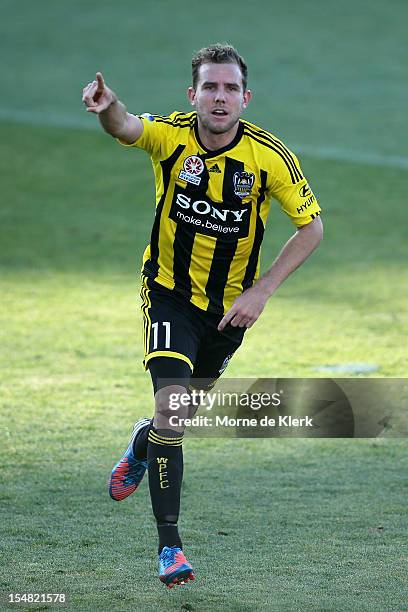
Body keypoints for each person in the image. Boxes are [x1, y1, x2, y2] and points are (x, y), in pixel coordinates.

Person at [82, 43, 323, 588]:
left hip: (228, 311)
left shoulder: (269, 157)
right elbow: (127, 129)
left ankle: (144, 444)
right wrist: (109, 106)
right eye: (210, 87)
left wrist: (261, 291)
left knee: (176, 418)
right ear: (193, 95)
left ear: (245, 97)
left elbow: (311, 228)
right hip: (168, 294)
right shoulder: (172, 135)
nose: (220, 97)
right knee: (174, 410)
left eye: (230, 88)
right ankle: (171, 549)